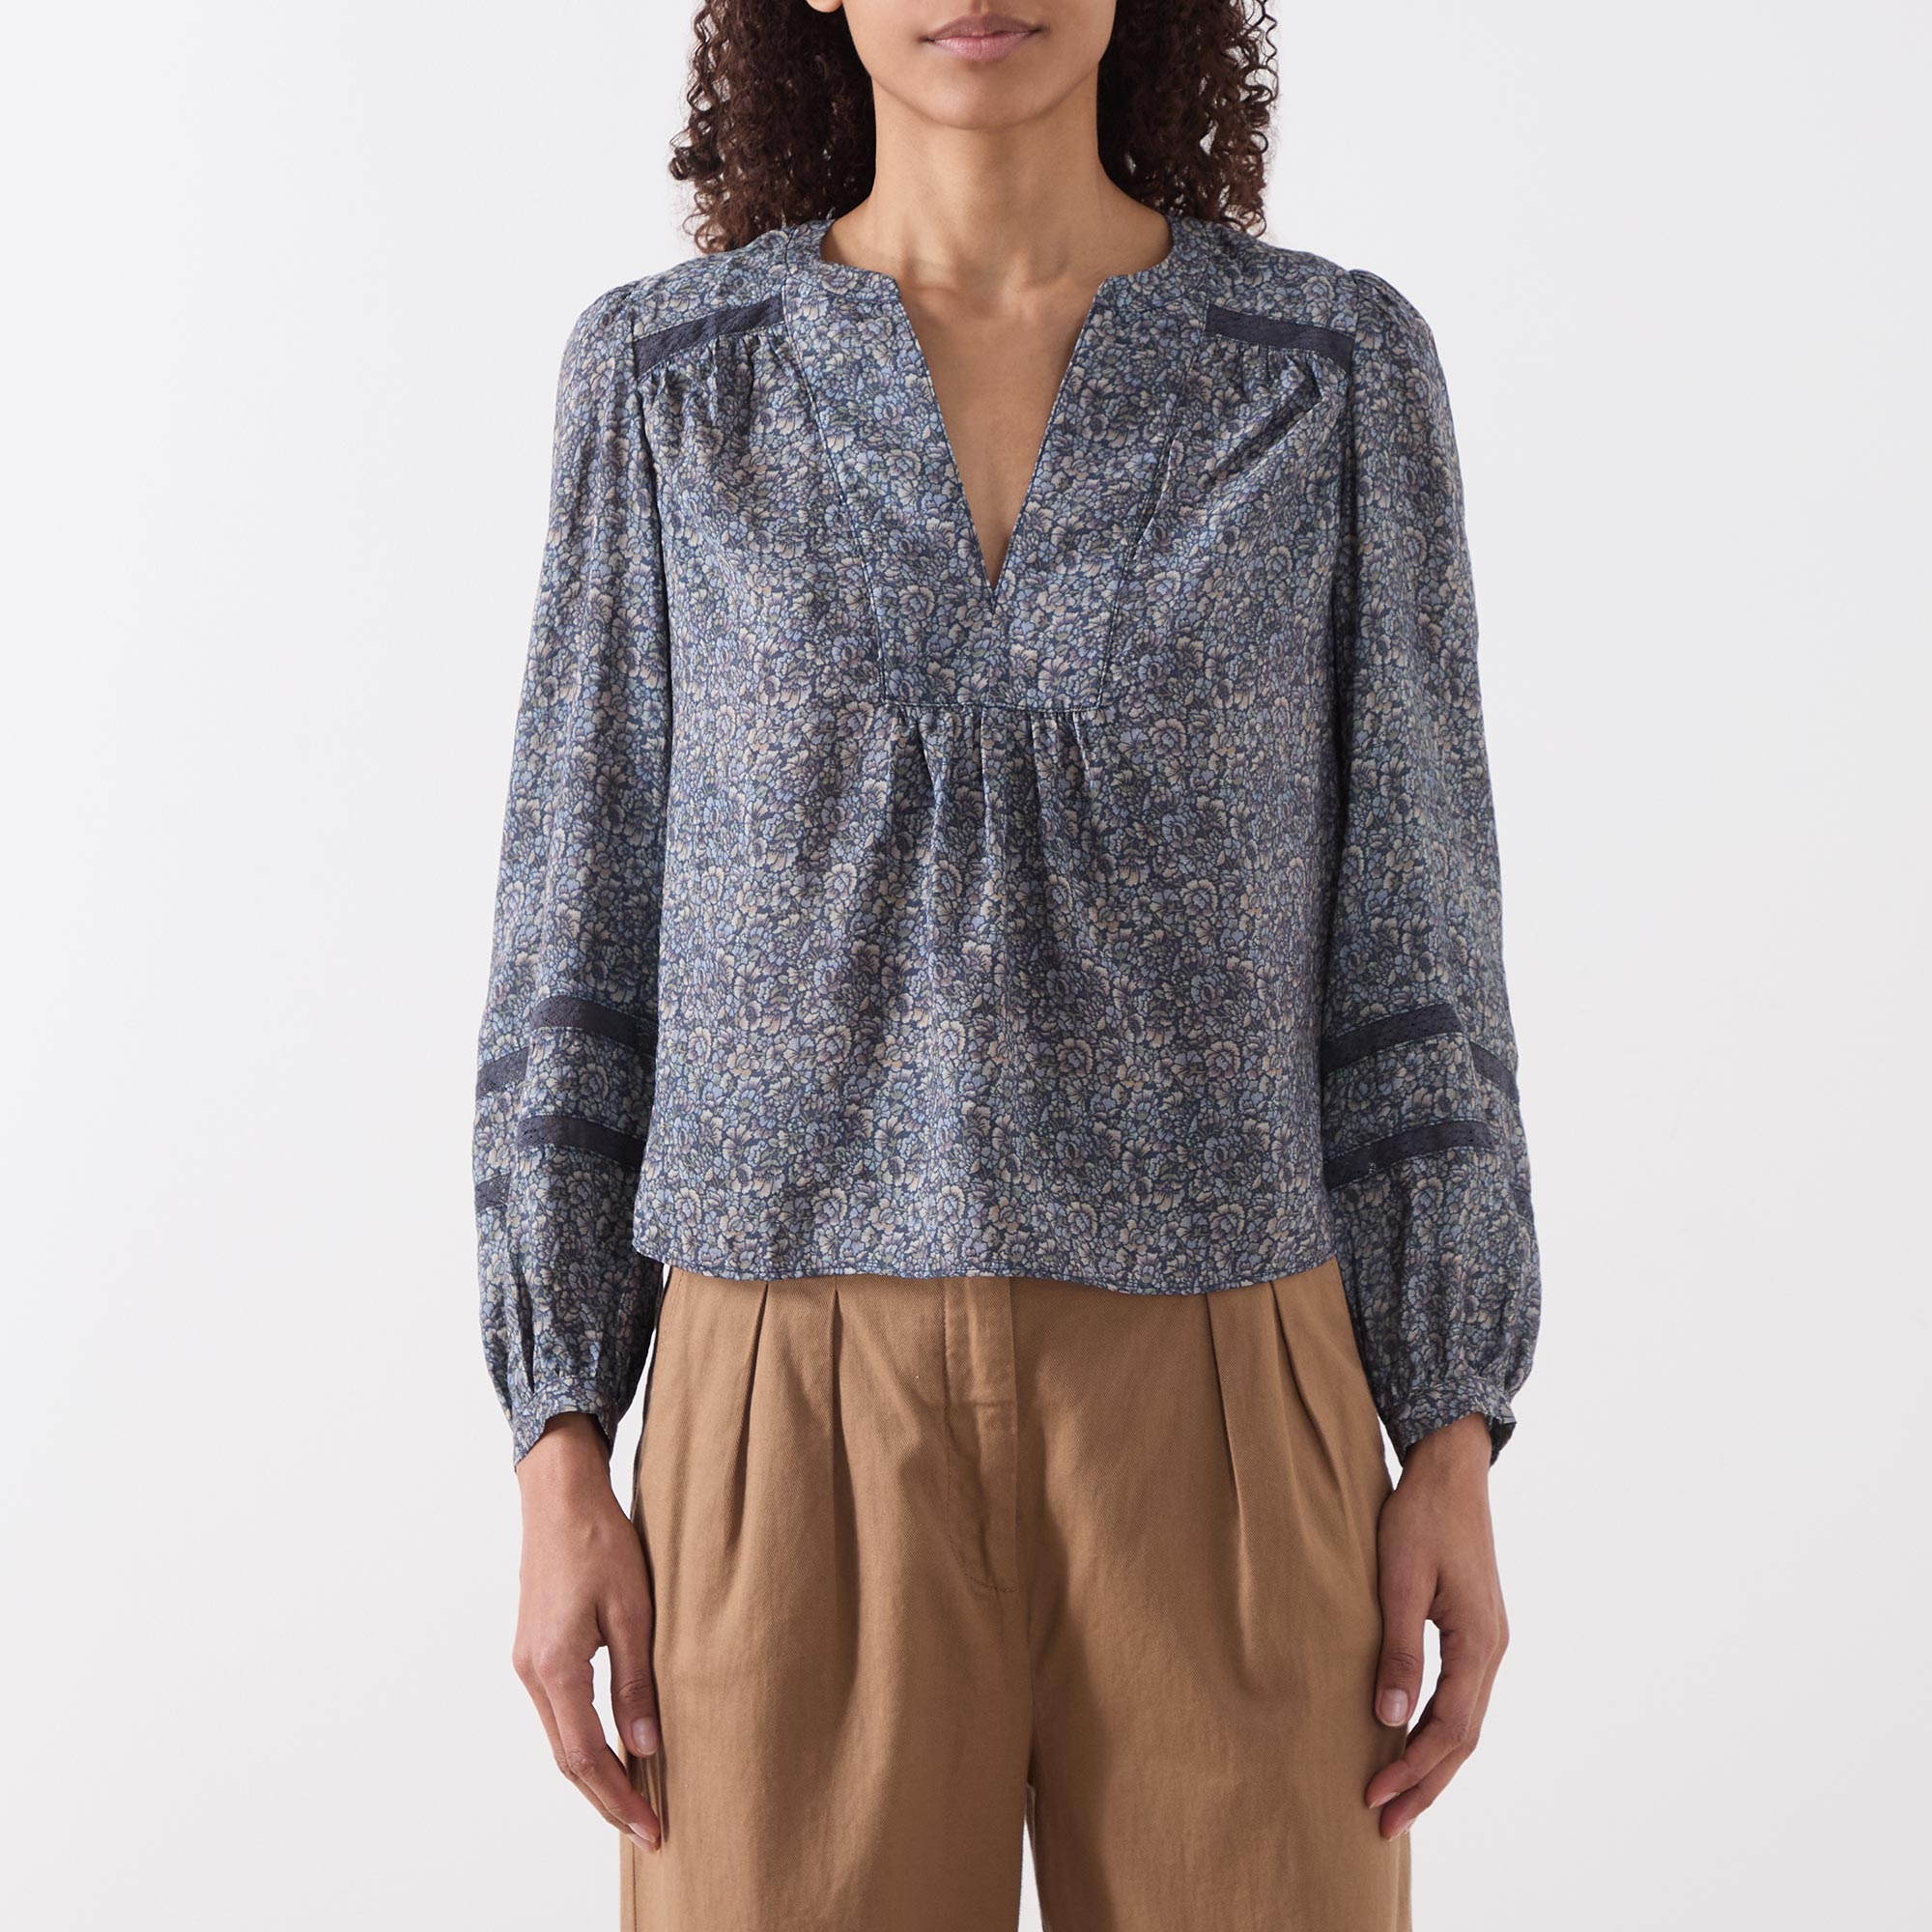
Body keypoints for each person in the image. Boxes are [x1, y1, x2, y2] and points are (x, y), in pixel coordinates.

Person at [472, 3, 1540, 1925]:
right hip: (782, 1397)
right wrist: (560, 1442)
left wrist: (1449, 1427)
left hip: (1228, 1391)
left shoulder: (1326, 372)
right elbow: (577, 934)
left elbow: (1417, 936)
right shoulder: (667, 382)